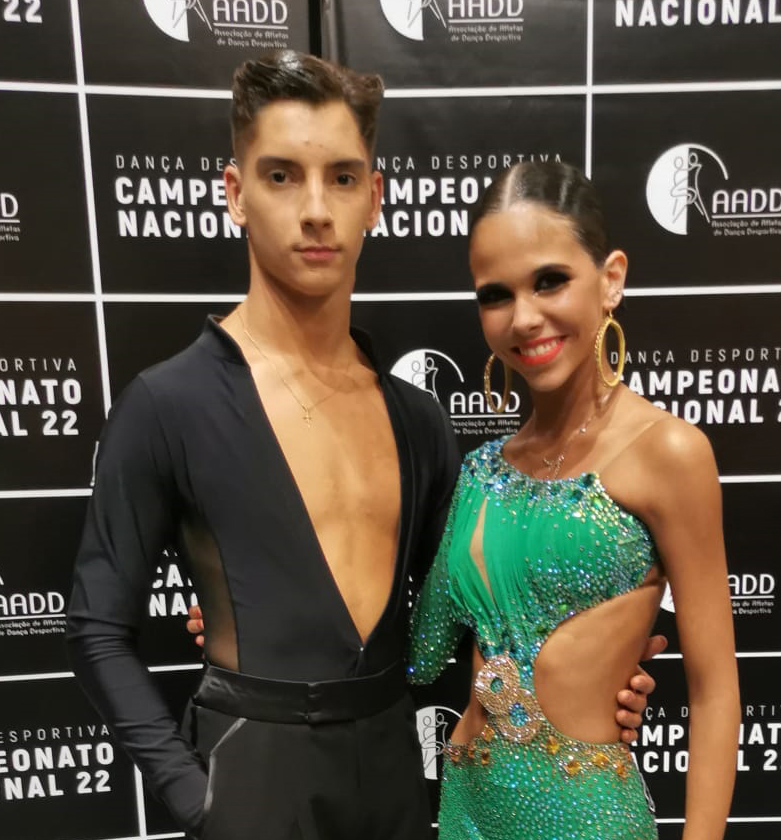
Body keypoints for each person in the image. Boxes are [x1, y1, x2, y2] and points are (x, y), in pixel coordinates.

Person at [66, 50, 657, 840]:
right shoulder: (165, 404)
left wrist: (590, 688)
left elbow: (465, 626)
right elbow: (97, 628)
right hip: (250, 780)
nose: (316, 210)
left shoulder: (418, 420)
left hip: (394, 780)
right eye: (282, 176)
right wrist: (194, 796)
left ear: (374, 198)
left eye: (342, 178)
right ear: (235, 194)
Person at [408, 162, 740, 839]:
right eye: (495, 295)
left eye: (549, 281)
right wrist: (268, 622)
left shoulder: (669, 453)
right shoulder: (479, 473)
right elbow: (420, 655)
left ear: (610, 278)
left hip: (590, 820)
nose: (524, 317)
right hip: (468, 814)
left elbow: (714, 692)